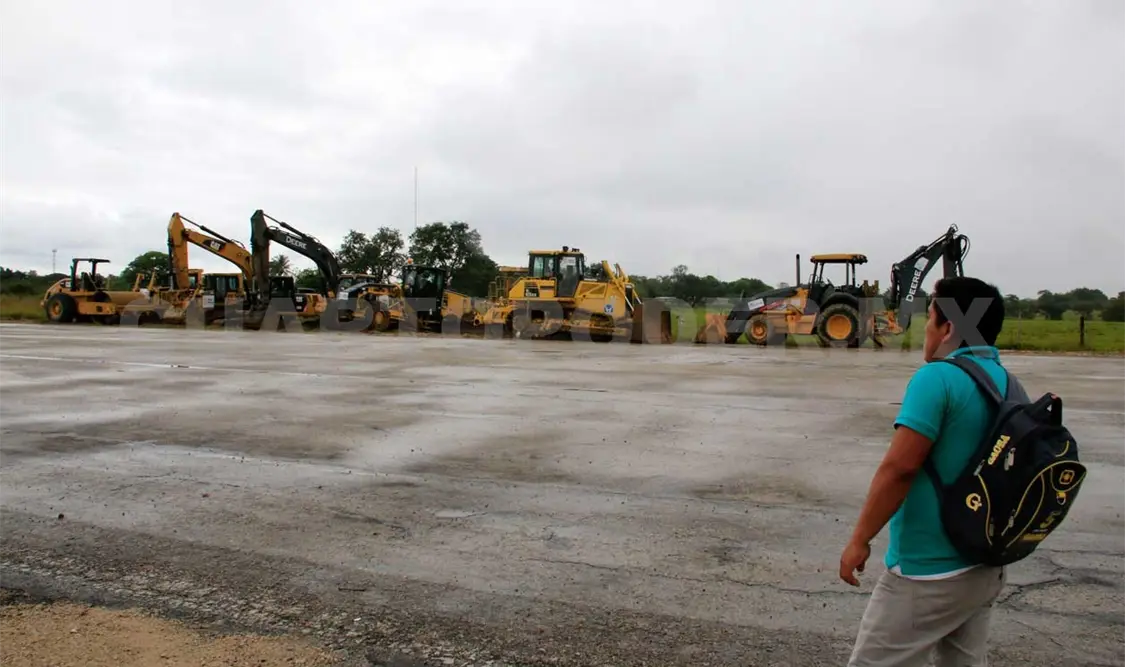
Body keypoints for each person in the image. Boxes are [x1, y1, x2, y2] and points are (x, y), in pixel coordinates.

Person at [840, 276, 1020, 667]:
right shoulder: (1008, 383)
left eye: (931, 319)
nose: (926, 329)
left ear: (949, 328)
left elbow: (900, 469)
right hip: (984, 561)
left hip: (928, 572)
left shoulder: (937, 378)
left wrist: (860, 538)